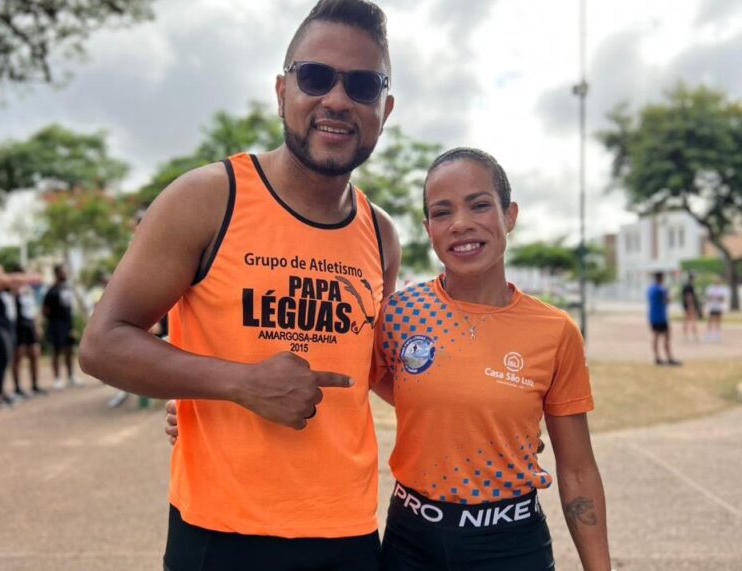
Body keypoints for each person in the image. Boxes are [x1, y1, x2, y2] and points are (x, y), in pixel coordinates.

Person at [165, 148, 612, 570]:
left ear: (509, 215)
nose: (461, 224)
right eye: (442, 212)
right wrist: (206, 402)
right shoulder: (398, 314)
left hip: (510, 544)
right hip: (411, 539)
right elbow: (334, 366)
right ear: (428, 228)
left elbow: (577, 470)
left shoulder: (555, 331)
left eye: (479, 206)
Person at [80, 1, 400, 569]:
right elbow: (102, 343)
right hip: (219, 534)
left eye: (363, 85)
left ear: (385, 108)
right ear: (282, 91)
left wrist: (499, 408)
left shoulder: (381, 234)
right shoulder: (208, 198)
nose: (336, 99)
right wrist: (236, 383)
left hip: (347, 533)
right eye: (315, 76)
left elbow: (376, 369)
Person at [0, 264, 42, 409]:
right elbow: (12, 280)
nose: (3, 274)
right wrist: (30, 277)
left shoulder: (5, 290)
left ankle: (4, 393)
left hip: (7, 327)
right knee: (2, 359)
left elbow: (16, 284)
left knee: (6, 359)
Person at [42, 264, 82, 389]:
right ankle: (57, 378)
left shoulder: (67, 289)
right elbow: (45, 310)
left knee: (69, 350)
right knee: (56, 351)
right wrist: (54, 320)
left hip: (67, 323)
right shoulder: (52, 291)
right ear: (57, 274)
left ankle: (71, 376)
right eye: (63, 272)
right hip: (56, 324)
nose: (65, 274)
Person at [12, 267, 48, 397]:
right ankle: (17, 388)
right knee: (18, 356)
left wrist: (37, 325)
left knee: (34, 354)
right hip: (18, 326)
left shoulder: (29, 290)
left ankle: (35, 385)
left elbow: (33, 308)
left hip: (30, 324)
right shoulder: (13, 290)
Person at [646, 271, 680, 366]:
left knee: (655, 337)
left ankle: (657, 357)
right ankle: (669, 358)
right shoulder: (661, 289)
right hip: (661, 317)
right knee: (667, 337)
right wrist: (669, 293)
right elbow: (667, 301)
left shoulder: (650, 289)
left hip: (652, 316)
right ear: (661, 278)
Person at [704, 275, 727, 342]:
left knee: (718, 321)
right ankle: (708, 335)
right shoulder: (710, 288)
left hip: (718, 307)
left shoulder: (722, 289)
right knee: (710, 320)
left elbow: (722, 298)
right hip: (712, 307)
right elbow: (708, 297)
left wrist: (717, 297)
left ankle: (717, 335)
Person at [680, 271, 700, 342]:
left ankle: (686, 335)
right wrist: (690, 305)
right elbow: (689, 296)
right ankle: (693, 335)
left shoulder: (686, 285)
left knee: (686, 320)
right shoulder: (689, 286)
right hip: (689, 305)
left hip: (687, 305)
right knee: (692, 320)